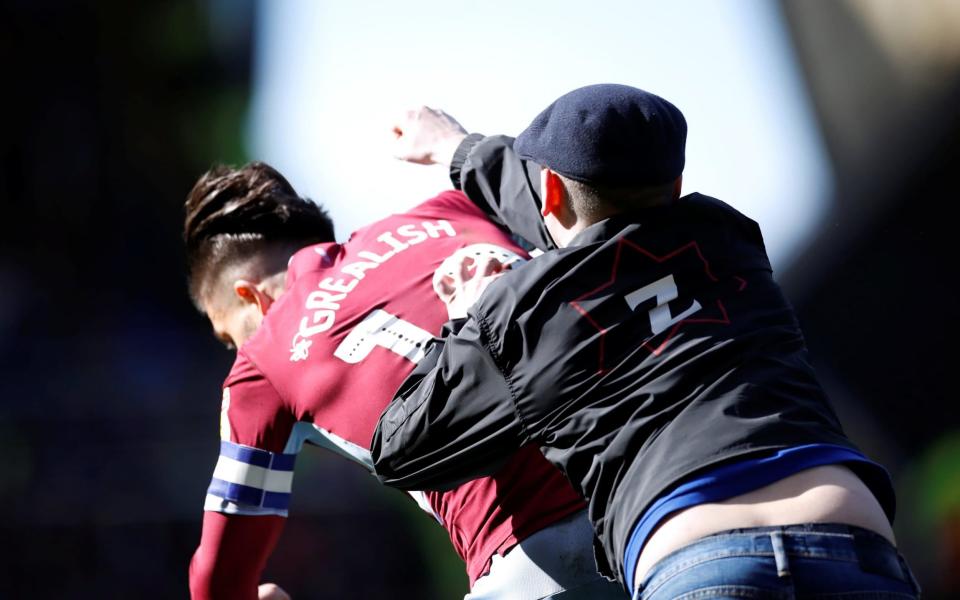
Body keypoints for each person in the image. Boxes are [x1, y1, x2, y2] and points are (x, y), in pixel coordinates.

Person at [372, 84, 921, 598]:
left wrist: (466, 317)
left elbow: (400, 452)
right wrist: (458, 151)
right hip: (852, 536)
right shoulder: (729, 240)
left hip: (696, 557)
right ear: (676, 186)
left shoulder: (519, 313)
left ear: (549, 190)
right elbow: (590, 216)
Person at [183, 161, 627, 599]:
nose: (237, 352)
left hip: (540, 561)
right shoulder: (449, 210)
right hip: (654, 492)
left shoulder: (262, 360)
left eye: (230, 338)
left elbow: (216, 578)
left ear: (251, 297)